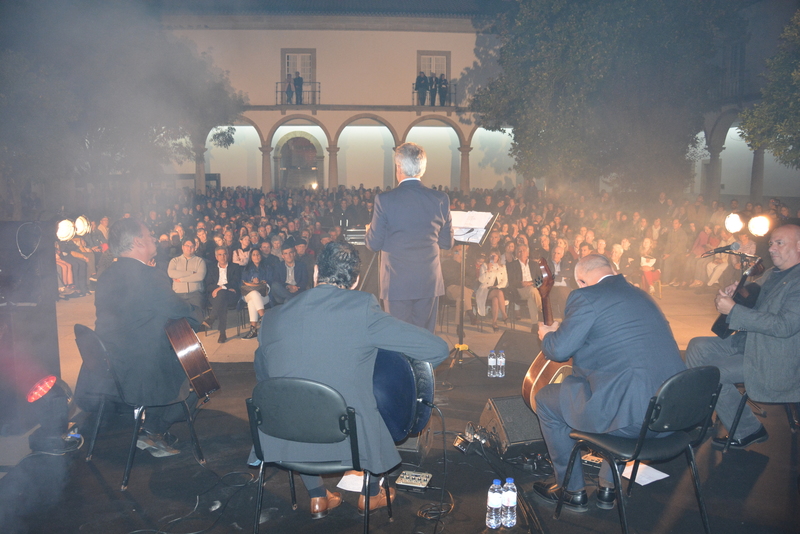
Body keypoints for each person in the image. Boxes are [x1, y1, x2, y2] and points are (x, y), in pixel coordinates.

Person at [253, 241, 448, 519]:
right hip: (348, 438)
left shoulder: (272, 317)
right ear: (355, 280)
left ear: (317, 271)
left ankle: (318, 496)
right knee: (365, 391)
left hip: (283, 435)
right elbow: (436, 350)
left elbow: (264, 377)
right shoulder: (362, 309)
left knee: (297, 396)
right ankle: (369, 495)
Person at [533, 254, 686, 512]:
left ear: (581, 281)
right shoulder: (644, 296)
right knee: (620, 394)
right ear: (613, 270)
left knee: (546, 399)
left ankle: (571, 490)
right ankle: (607, 488)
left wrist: (547, 335)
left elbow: (558, 351)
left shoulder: (586, 296)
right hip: (673, 416)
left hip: (634, 424)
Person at [88, 218, 202, 457]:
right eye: (150, 235)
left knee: (168, 352)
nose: (154, 239)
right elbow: (178, 310)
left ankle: (150, 426)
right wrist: (199, 314)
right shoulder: (150, 276)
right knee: (199, 376)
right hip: (139, 371)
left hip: (109, 367)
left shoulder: (106, 276)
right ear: (138, 242)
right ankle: (153, 430)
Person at [685, 224, 800, 450]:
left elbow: (784, 325)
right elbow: (755, 295)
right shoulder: (772, 273)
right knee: (697, 346)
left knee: (711, 374)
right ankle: (704, 413)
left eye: (780, 243)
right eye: (771, 243)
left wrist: (735, 310)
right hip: (749, 343)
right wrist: (738, 290)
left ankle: (748, 430)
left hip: (774, 356)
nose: (772, 248)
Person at [365, 142, 454, 332]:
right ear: (422, 168)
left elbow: (373, 244)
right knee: (423, 338)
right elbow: (447, 242)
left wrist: (369, 230)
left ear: (399, 167)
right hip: (428, 281)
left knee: (398, 339)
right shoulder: (440, 199)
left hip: (397, 283)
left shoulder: (385, 200)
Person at [202, 247, 242, 343]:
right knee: (221, 299)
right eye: (220, 254)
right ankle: (222, 333)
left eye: (224, 254)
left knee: (222, 295)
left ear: (228, 255)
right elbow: (208, 285)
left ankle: (212, 318)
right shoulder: (211, 268)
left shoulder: (235, 267)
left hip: (231, 295)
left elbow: (235, 283)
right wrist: (222, 289)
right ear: (216, 257)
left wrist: (221, 288)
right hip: (215, 295)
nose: (222, 256)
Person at [506, 244, 542, 330]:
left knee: (531, 297)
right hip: (519, 290)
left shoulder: (534, 264)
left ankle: (534, 325)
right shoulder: (512, 265)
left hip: (532, 288)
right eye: (519, 251)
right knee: (532, 291)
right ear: (517, 254)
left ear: (528, 253)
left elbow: (541, 279)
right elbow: (511, 281)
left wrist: (532, 283)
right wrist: (522, 284)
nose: (522, 252)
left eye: (524, 250)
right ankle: (542, 310)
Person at [167, 238, 206, 317]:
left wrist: (181, 280)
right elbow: (171, 273)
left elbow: (200, 276)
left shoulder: (200, 261)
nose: (189, 248)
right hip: (178, 294)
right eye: (187, 246)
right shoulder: (174, 260)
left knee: (196, 317)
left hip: (195, 294)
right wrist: (191, 273)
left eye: (192, 246)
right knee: (178, 318)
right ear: (182, 247)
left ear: (195, 248)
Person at [240, 249, 270, 339]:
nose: (256, 256)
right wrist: (252, 282)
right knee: (253, 293)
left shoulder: (267, 267)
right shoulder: (246, 269)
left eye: (258, 254)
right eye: (254, 255)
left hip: (264, 295)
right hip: (247, 294)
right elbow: (241, 283)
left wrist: (261, 282)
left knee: (252, 301)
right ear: (251, 257)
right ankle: (263, 318)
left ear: (261, 256)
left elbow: (271, 281)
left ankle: (253, 330)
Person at [476, 251, 508, 331]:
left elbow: (505, 281)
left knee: (496, 299)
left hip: (497, 289)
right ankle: (504, 314)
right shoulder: (484, 265)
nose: (493, 257)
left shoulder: (502, 267)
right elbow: (481, 280)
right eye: (491, 255)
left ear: (498, 257)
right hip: (485, 289)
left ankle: (494, 322)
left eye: (495, 255)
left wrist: (497, 286)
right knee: (499, 293)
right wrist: (488, 269)